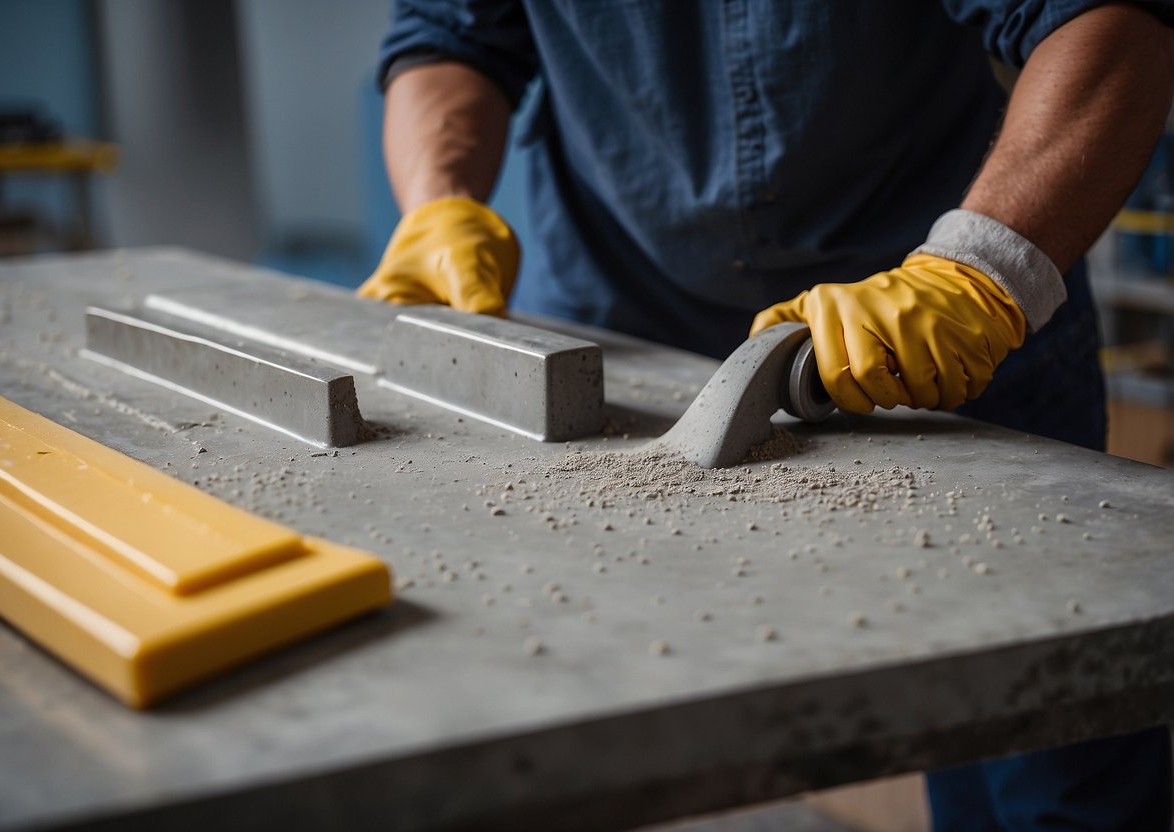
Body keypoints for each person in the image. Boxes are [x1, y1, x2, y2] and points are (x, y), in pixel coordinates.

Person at [360, 2, 1174, 828]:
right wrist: (437, 202)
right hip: (625, 334)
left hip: (935, 322)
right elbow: (449, 35)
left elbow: (1105, 17)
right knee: (613, 720)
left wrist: (983, 271)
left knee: (1041, 731)